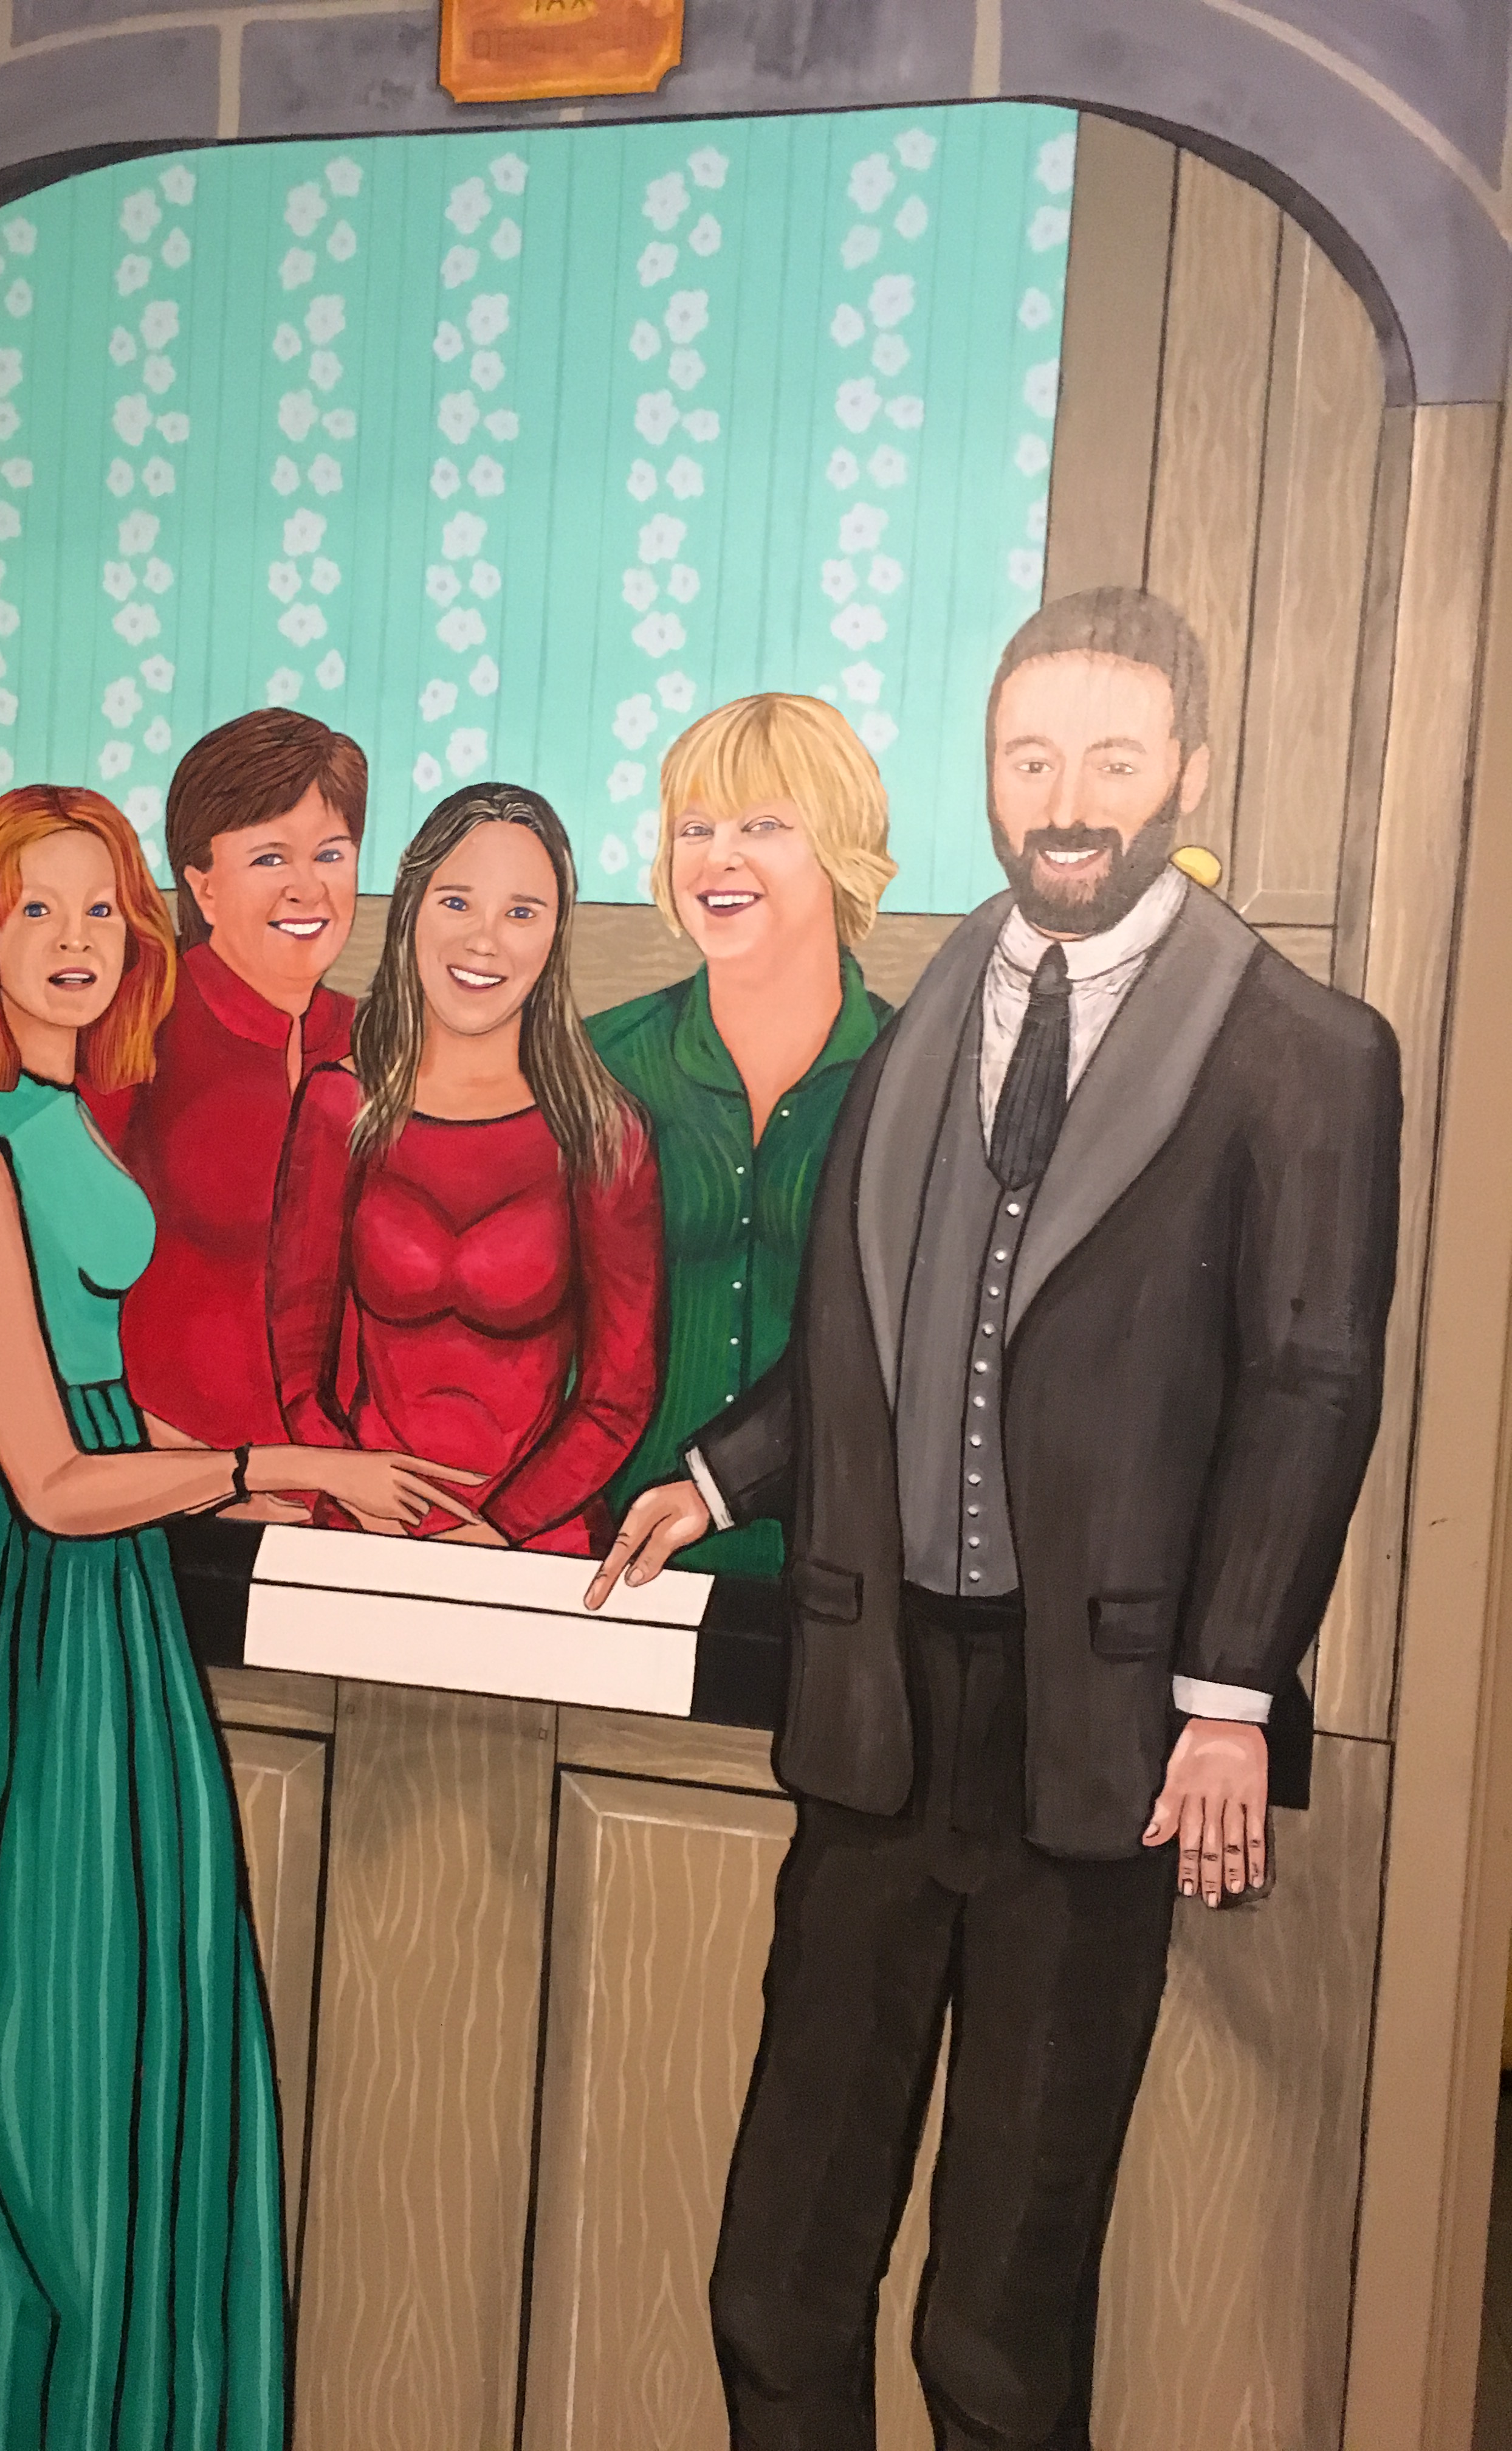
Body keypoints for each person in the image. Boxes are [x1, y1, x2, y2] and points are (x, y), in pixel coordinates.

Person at [586, 589, 1403, 2451]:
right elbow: (867, 1334)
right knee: (776, 2286)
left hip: (1098, 1743)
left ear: (1188, 771)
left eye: (1112, 757)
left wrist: (1229, 1693)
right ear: (988, 774)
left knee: (998, 2331)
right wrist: (714, 1477)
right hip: (878, 1715)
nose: (1069, 797)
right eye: (1033, 757)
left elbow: (1311, 1385)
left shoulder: (1305, 1051)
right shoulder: (929, 1013)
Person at [0, 786, 479, 2451]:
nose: (75, 941)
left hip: (105, 1620)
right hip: (2, 1623)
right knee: (10, 2039)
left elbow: (97, 1400)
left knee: (118, 2021)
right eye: (36, 912)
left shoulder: (68, 1116)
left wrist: (253, 1481)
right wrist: (270, 1463)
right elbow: (48, 1477)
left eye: (99, 910)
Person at [269, 782, 664, 1554]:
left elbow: (618, 1399)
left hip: (537, 1543)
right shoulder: (338, 1106)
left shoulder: (604, 1134)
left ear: (556, 935)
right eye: (457, 903)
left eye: (522, 913)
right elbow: (298, 1377)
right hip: (362, 1531)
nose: (485, 942)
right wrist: (351, 1486)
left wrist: (498, 1530)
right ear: (412, 910)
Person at [586, 694, 895, 1579]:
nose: (718, 856)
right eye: (695, 829)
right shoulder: (600, 1063)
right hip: (609, 1564)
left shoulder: (915, 1077)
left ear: (839, 847)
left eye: (762, 824)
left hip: (842, 1576)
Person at [84, 708, 366, 1459]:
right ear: (203, 888)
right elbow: (46, 1266)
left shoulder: (381, 1041)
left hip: (346, 1482)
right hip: (167, 1467)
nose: (308, 888)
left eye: (332, 854)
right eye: (271, 858)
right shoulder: (137, 1021)